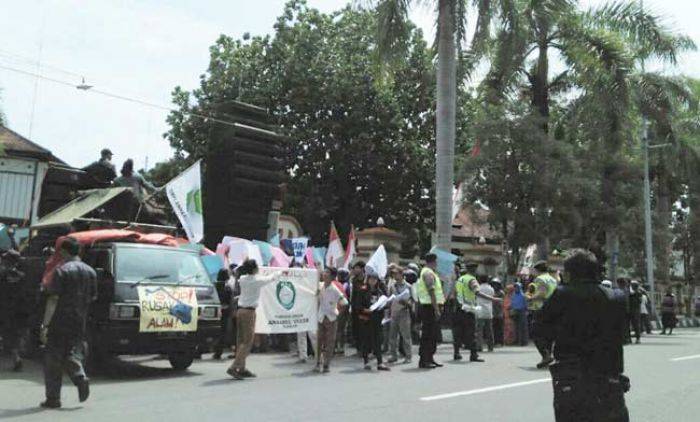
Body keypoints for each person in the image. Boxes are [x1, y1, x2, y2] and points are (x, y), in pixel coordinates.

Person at [541, 249, 630, 422]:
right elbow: (623, 335)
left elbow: (540, 329)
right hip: (609, 381)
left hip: (571, 381)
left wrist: (547, 352)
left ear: (568, 273)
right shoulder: (616, 297)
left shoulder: (561, 295)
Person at [40, 237, 97, 409]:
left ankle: (53, 398)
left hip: (60, 320)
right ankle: (80, 377)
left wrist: (45, 325)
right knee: (71, 352)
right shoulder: (91, 272)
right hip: (79, 320)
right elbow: (93, 297)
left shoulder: (61, 271)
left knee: (53, 359)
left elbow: (53, 299)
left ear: (64, 252)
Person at [227, 260, 283, 380]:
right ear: (253, 269)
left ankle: (241, 368)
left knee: (241, 341)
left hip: (240, 310)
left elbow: (238, 272)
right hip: (249, 312)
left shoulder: (242, 279)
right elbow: (270, 278)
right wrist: (280, 272)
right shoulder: (256, 280)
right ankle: (234, 367)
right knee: (247, 342)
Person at [315, 268, 348, 373]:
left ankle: (326, 364)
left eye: (327, 273)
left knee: (330, 342)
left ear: (332, 277)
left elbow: (344, 302)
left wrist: (337, 312)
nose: (325, 274)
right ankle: (317, 362)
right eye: (325, 272)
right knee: (319, 341)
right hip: (320, 317)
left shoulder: (335, 290)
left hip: (331, 318)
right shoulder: (319, 286)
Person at [526, 260, 559, 368]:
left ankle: (546, 355)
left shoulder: (540, 279)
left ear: (537, 270)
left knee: (535, 333)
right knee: (547, 334)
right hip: (552, 308)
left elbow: (542, 293)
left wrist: (530, 298)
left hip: (541, 308)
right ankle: (547, 357)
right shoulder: (552, 279)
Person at [0, 249, 28, 371]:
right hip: (18, 310)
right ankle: (16, 358)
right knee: (14, 335)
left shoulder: (2, 273)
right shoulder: (23, 275)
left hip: (3, 308)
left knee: (6, 334)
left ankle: (16, 358)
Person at [357, 269, 390, 371]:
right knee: (366, 340)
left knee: (378, 340)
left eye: (375, 279)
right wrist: (364, 310)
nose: (373, 281)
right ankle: (366, 361)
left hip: (377, 318)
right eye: (371, 279)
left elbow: (385, 303)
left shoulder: (380, 291)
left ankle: (380, 362)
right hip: (366, 318)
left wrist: (383, 306)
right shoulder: (363, 290)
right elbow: (357, 305)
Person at [416, 254, 444, 369]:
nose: (437, 264)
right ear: (433, 261)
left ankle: (430, 357)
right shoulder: (428, 273)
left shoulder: (431, 273)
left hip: (430, 306)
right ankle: (424, 360)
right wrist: (436, 309)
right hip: (429, 307)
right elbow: (431, 291)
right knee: (428, 334)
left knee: (432, 334)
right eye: (436, 261)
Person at [388, 269, 413, 364]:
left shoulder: (408, 286)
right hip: (394, 312)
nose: (395, 276)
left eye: (396, 274)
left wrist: (405, 302)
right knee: (392, 336)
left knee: (406, 335)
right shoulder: (392, 286)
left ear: (402, 274)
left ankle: (408, 356)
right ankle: (393, 355)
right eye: (393, 274)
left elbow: (412, 301)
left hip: (404, 312)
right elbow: (389, 298)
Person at [475, 275, 496, 352]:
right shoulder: (491, 289)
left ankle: (479, 346)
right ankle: (490, 346)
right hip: (488, 311)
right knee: (489, 330)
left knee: (479, 330)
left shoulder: (478, 288)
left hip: (480, 311)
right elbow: (492, 297)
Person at [349, 261, 366, 352]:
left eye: (357, 268)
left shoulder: (366, 280)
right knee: (355, 328)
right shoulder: (354, 280)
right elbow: (353, 294)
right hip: (355, 308)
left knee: (363, 329)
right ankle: (358, 348)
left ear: (362, 269)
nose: (355, 270)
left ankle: (364, 348)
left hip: (364, 309)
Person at [334, 268, 351, 355]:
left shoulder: (346, 285)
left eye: (341, 275)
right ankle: (337, 346)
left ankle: (340, 346)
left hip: (344, 308)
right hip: (338, 307)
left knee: (340, 329)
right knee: (338, 329)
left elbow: (347, 298)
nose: (339, 276)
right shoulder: (338, 284)